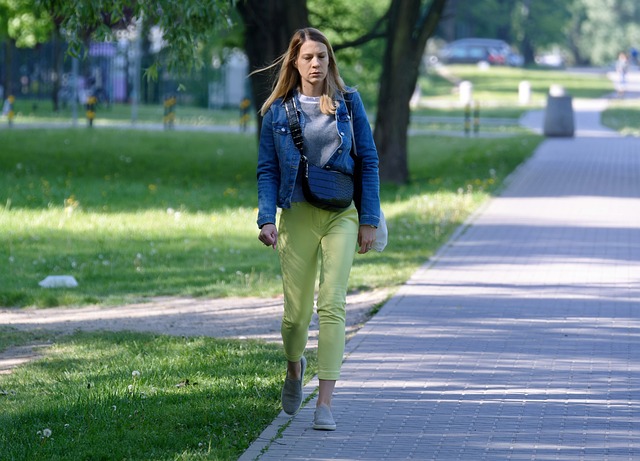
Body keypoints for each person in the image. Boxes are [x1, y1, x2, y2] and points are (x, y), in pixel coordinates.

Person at [255, 27, 381, 431]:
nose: (315, 64)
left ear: (330, 61)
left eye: (322, 57)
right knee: (295, 317)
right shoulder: (277, 112)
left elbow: (370, 161)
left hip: (340, 214)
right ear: (295, 61)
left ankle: (324, 403)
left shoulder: (348, 102)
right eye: (308, 57)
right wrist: (265, 217)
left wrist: (368, 219)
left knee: (332, 305)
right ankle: (295, 369)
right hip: (297, 215)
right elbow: (268, 170)